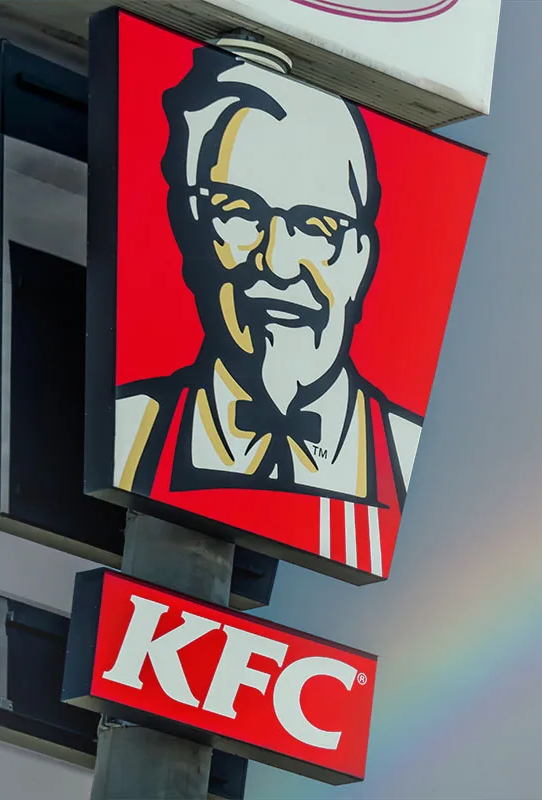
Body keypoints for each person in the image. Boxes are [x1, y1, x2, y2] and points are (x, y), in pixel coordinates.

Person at [113, 46, 420, 575]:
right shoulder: (130, 426)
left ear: (361, 258)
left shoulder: (400, 451)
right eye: (239, 213)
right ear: (195, 234)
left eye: (316, 226)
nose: (278, 263)